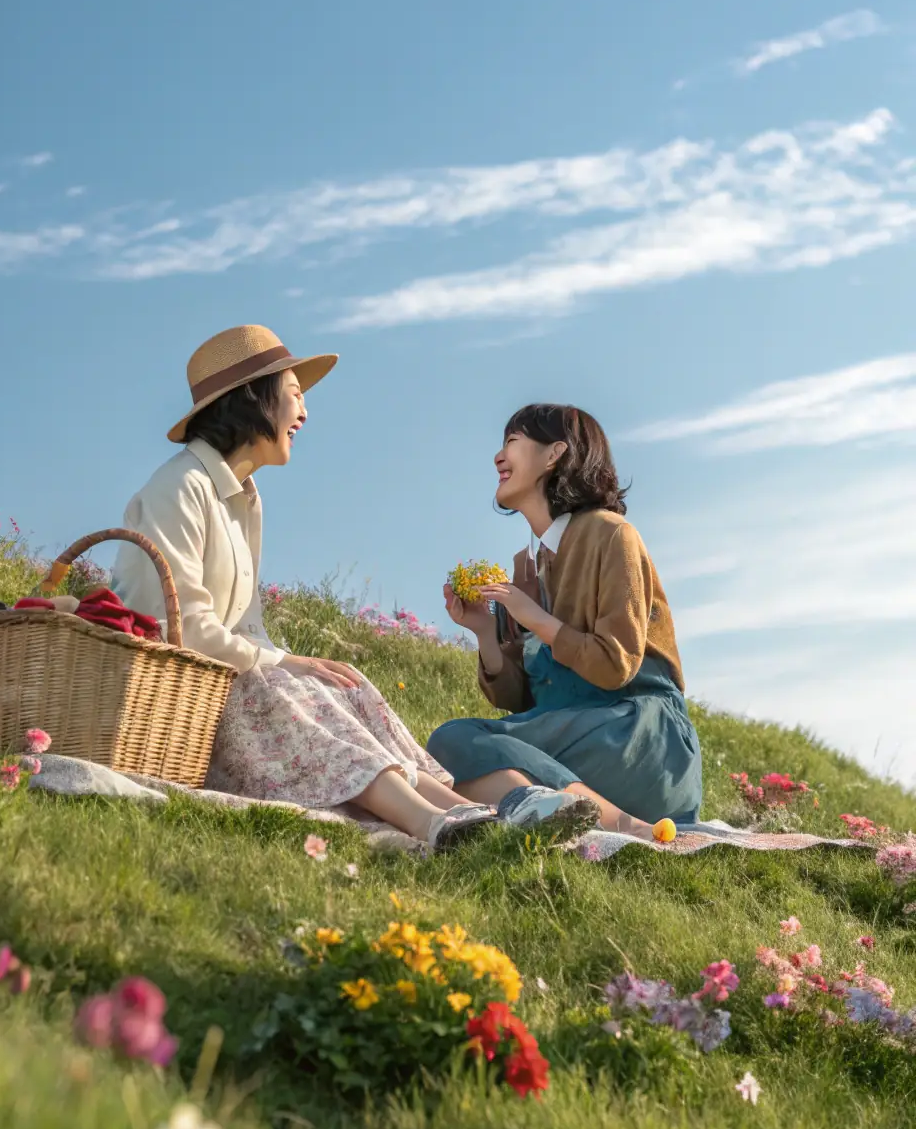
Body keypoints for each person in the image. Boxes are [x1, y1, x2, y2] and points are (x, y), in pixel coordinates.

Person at [112, 326, 593, 851]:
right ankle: (432, 824)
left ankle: (478, 814)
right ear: (254, 398)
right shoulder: (179, 487)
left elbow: (248, 628)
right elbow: (178, 628)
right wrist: (280, 666)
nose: (304, 413)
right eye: (295, 395)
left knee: (343, 683)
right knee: (280, 686)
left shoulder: (243, 498)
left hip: (227, 674)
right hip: (178, 688)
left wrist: (296, 665)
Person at [427, 403, 703, 839]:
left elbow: (616, 666)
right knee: (445, 751)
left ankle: (619, 824)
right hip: (575, 739)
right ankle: (550, 808)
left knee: (455, 746)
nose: (498, 458)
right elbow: (522, 701)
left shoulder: (612, 534)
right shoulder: (526, 565)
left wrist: (535, 618)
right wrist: (485, 632)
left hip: (638, 737)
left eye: (512, 443)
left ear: (554, 454)